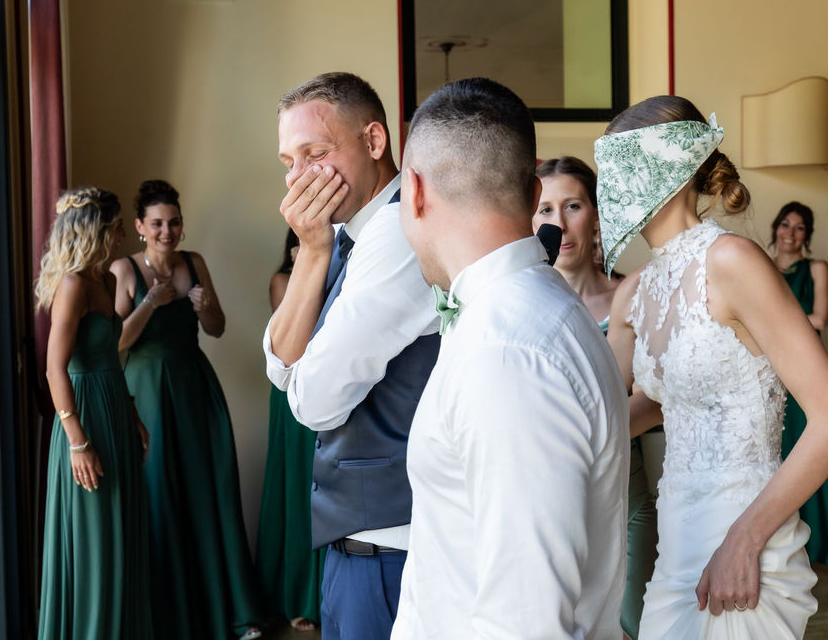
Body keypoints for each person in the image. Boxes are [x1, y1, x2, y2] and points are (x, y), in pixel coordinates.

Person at [600, 96, 828, 638]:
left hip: (746, 535)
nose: (612, 188)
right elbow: (646, 407)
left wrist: (744, 540)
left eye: (623, 166)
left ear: (670, 167)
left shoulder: (732, 261)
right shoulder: (637, 291)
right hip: (676, 540)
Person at [391, 78, 629, 639]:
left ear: (415, 191)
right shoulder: (518, 316)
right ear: (532, 193)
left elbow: (526, 619)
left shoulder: (507, 353)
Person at [264, 72, 440, 640]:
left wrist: (300, 370)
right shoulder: (344, 236)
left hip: (396, 545)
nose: (299, 177)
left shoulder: (397, 233)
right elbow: (279, 364)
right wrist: (313, 252)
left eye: (316, 154)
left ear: (374, 141)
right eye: (289, 162)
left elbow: (313, 401)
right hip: (357, 543)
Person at [111, 180, 263, 640]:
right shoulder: (124, 269)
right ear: (140, 226)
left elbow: (216, 329)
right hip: (147, 391)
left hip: (194, 386)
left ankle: (225, 612)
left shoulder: (194, 263)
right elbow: (114, 344)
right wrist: (149, 304)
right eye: (157, 223)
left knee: (207, 491)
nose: (167, 231)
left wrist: (206, 307)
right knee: (160, 494)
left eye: (173, 222)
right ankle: (168, 620)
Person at [534, 156, 657, 640]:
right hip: (541, 505)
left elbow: (654, 402)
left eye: (572, 206)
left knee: (633, 628)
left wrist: (574, 439)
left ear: (597, 215)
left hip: (623, 499)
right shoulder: (518, 303)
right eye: (545, 209)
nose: (559, 225)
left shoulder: (635, 296)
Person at [35, 187, 152, 640]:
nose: (122, 233)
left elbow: (110, 357)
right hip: (83, 418)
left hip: (114, 411)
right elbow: (54, 368)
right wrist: (78, 443)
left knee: (120, 528)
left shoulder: (105, 280)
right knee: (94, 535)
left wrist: (131, 413)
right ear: (95, 231)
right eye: (116, 225)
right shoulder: (74, 286)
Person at [770, 201, 828, 565]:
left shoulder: (816, 268)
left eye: (799, 227)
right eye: (785, 224)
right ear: (775, 227)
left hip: (807, 370)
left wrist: (770, 321)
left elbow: (820, 318)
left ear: (807, 235)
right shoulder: (761, 266)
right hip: (770, 371)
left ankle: (825, 544)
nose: (790, 233)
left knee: (816, 447)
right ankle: (782, 542)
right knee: (776, 451)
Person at [257, 228, 325, 632]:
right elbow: (294, 336)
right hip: (292, 390)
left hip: (329, 386)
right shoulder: (282, 280)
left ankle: (323, 591)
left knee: (323, 487)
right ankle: (297, 594)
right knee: (297, 487)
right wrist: (307, 268)